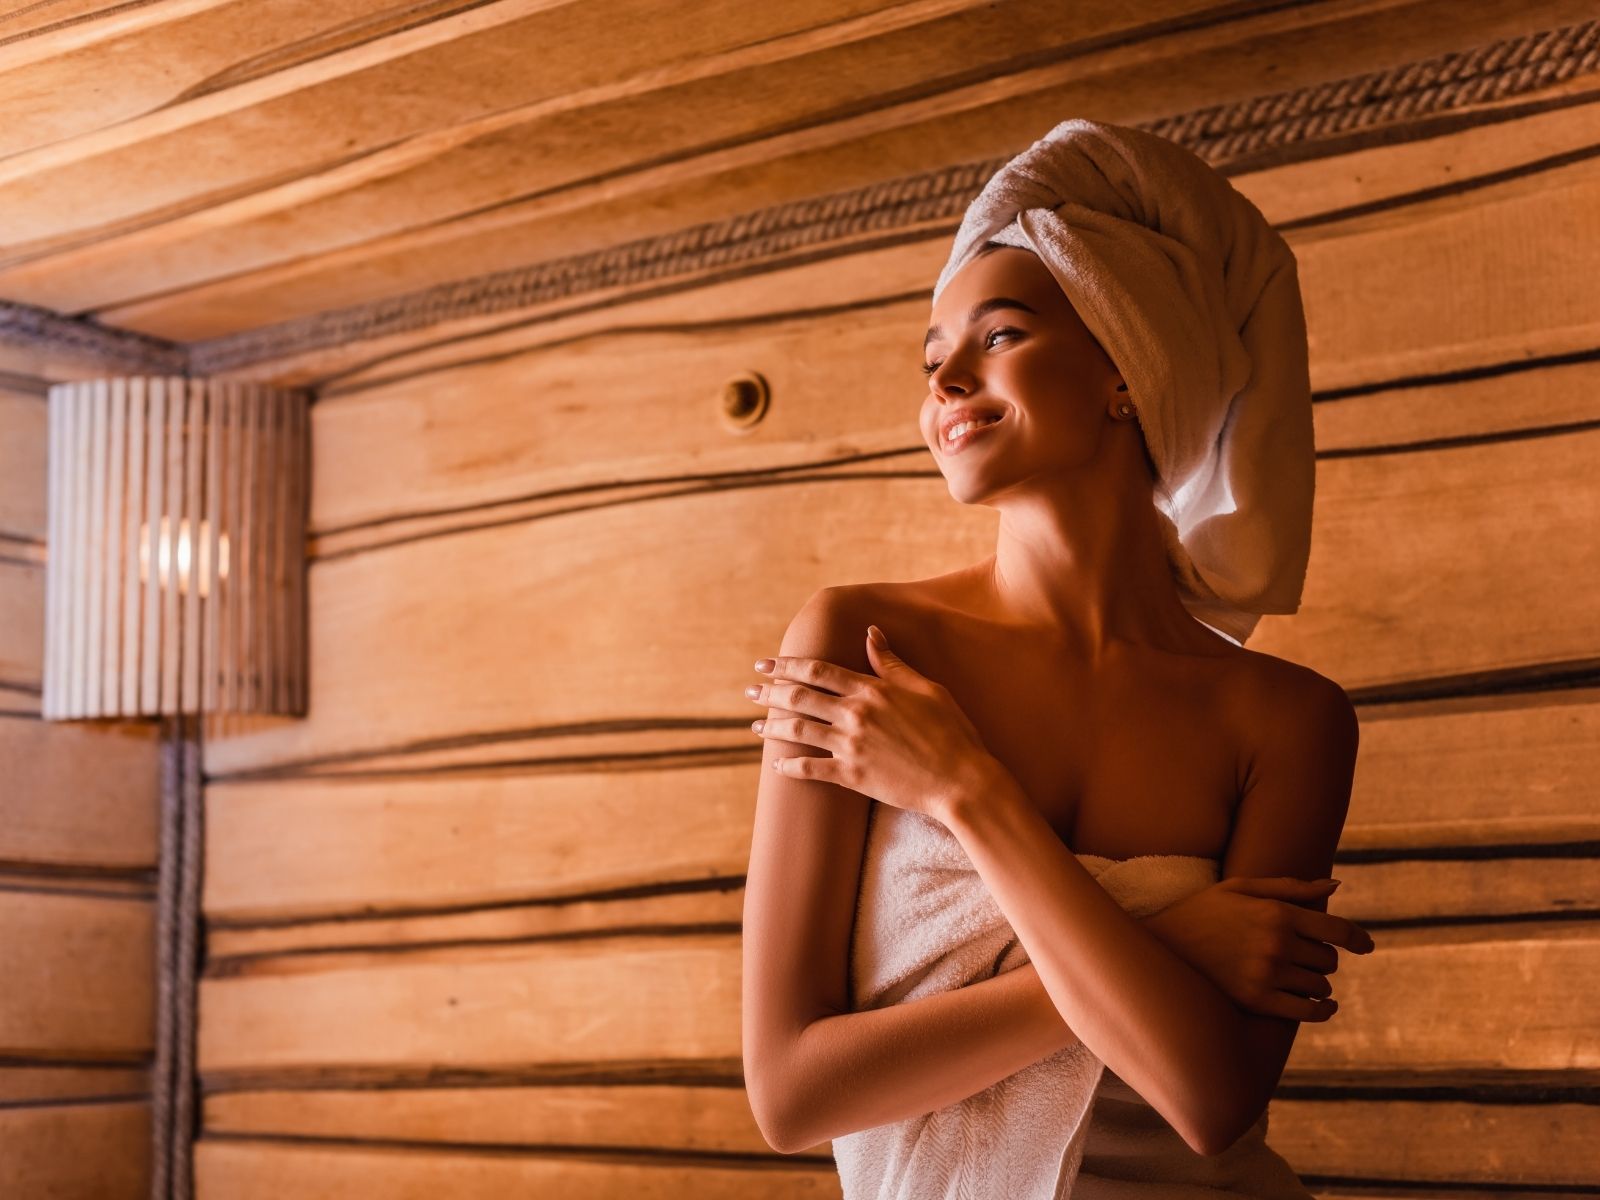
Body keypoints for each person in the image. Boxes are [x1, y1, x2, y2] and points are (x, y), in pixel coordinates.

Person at [740, 119, 1374, 1198]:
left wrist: (966, 789)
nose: (945, 381)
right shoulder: (859, 644)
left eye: (997, 336)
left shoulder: (1285, 720)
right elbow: (792, 1092)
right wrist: (1166, 945)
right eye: (932, 358)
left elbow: (1212, 1101)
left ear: (1128, 369)